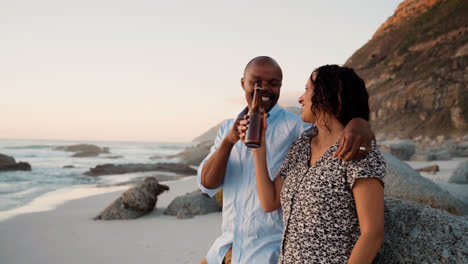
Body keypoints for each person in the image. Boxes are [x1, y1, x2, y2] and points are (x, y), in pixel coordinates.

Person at [198, 57, 375, 264]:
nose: (263, 89)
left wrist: (360, 122)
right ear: (243, 83)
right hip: (221, 251)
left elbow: (335, 128)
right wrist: (229, 141)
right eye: (256, 82)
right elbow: (207, 184)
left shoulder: (298, 130)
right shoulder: (227, 128)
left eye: (273, 83)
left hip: (266, 255)